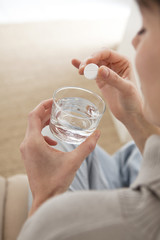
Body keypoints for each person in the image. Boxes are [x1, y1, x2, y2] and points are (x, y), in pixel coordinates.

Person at [18, 0, 160, 239]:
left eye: (145, 28)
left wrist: (47, 195)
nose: (134, 41)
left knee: (55, 135)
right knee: (64, 135)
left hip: (120, 200)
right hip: (134, 166)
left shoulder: (61, 225)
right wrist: (134, 117)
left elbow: (46, 230)